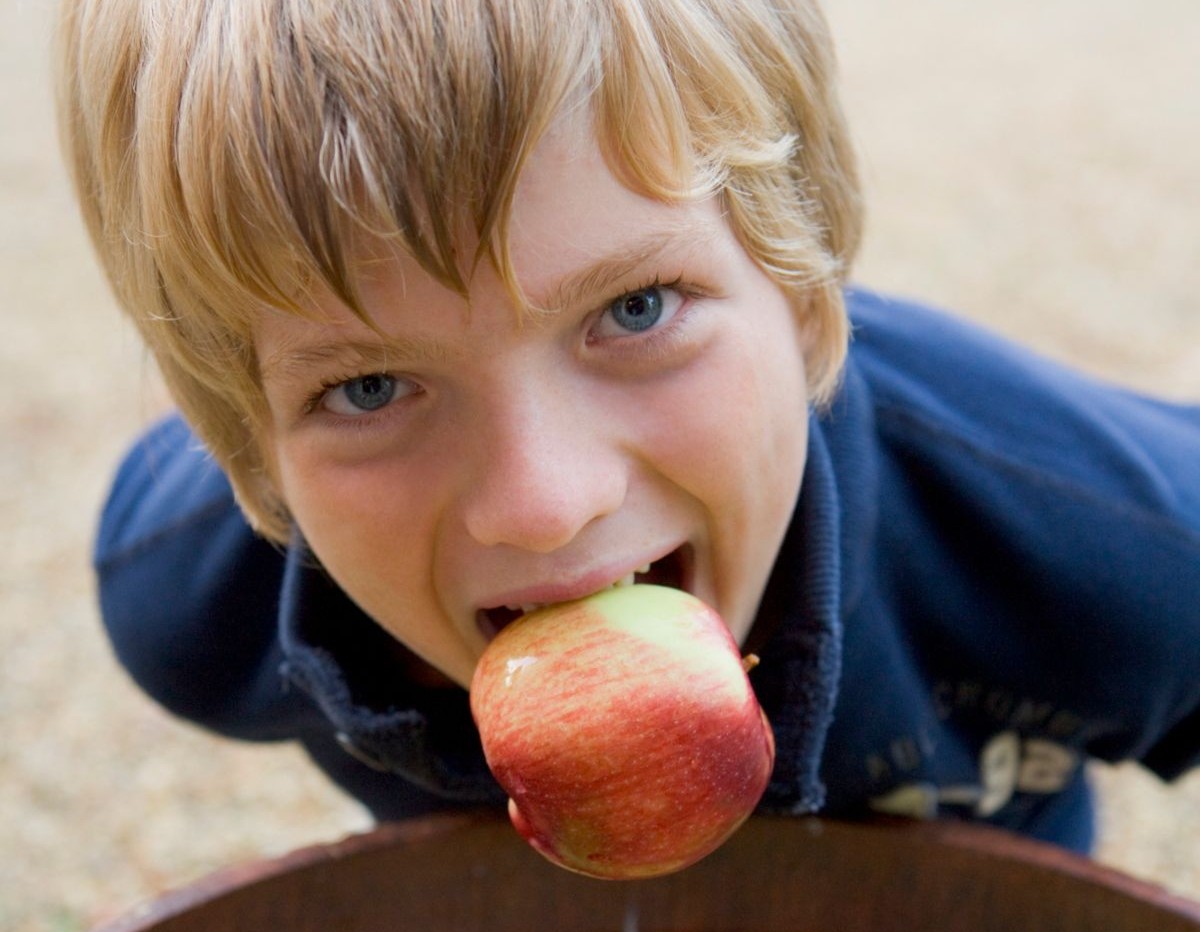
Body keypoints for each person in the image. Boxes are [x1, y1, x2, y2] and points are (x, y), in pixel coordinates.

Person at [57, 0, 1200, 858]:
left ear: (804, 301)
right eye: (368, 388)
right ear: (256, 454)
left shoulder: (1092, 538)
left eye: (635, 310)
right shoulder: (193, 608)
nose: (545, 502)